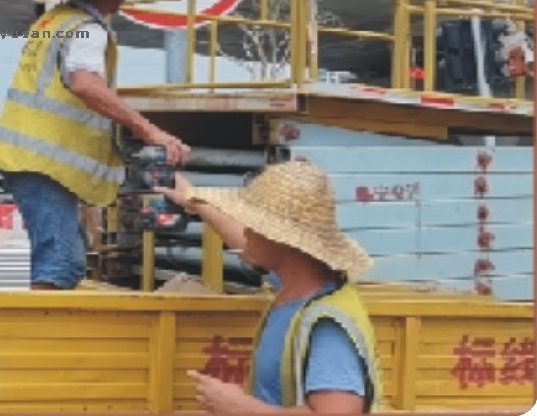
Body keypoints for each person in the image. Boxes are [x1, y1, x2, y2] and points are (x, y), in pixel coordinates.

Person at [0, 0, 191, 290]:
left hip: (31, 155)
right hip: (45, 159)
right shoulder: (87, 29)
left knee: (65, 260)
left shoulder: (53, 20)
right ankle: (42, 324)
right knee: (60, 264)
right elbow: (84, 83)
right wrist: (148, 130)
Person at [155, 160, 382, 414]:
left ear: (283, 239)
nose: (246, 233)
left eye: (255, 225)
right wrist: (195, 201)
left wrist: (241, 408)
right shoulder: (296, 287)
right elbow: (248, 245)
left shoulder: (327, 325)